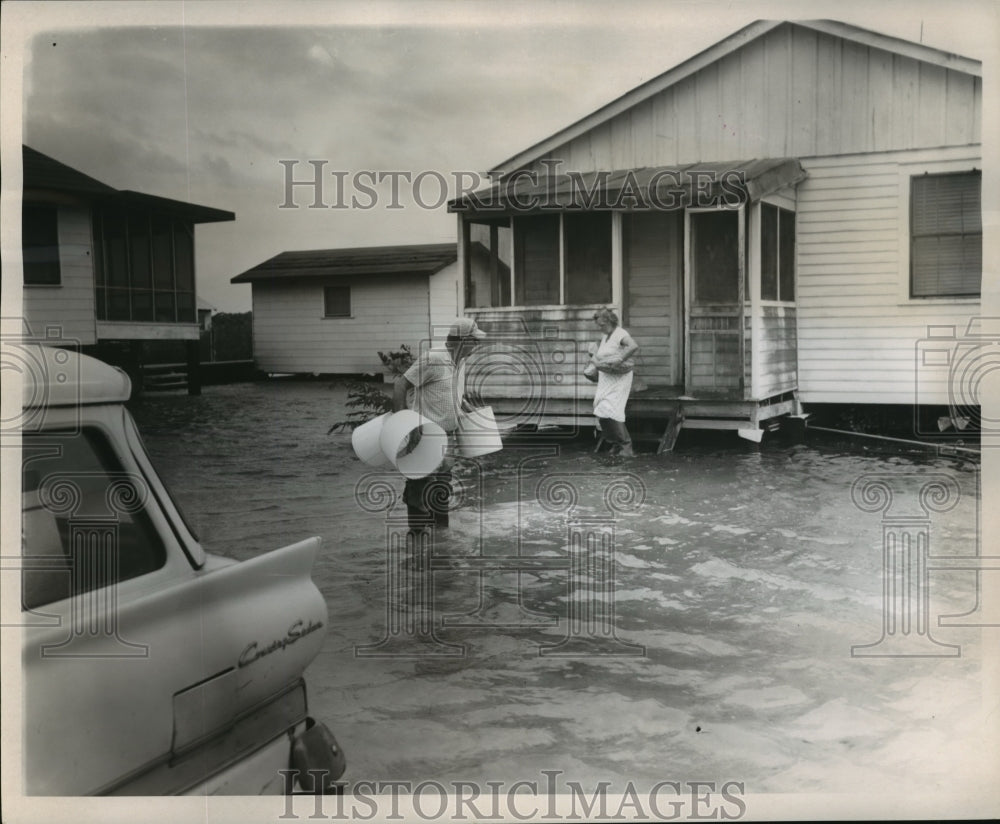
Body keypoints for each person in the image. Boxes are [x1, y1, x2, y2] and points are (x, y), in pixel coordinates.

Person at [393, 317, 486, 532]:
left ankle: (440, 541)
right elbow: (400, 385)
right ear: (462, 341)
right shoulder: (433, 359)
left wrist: (470, 411)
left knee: (442, 487)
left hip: (449, 436)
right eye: (475, 340)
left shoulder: (460, 362)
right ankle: (416, 542)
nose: (477, 345)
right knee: (419, 485)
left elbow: (455, 396)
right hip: (424, 435)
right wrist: (405, 424)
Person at [589, 307, 639, 457]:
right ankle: (615, 444)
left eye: (601, 324)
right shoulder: (605, 337)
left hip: (619, 377)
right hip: (606, 377)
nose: (599, 327)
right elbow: (601, 356)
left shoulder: (620, 334)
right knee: (601, 408)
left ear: (609, 321)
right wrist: (593, 356)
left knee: (612, 409)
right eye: (598, 325)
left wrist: (620, 359)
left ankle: (626, 446)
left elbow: (633, 346)